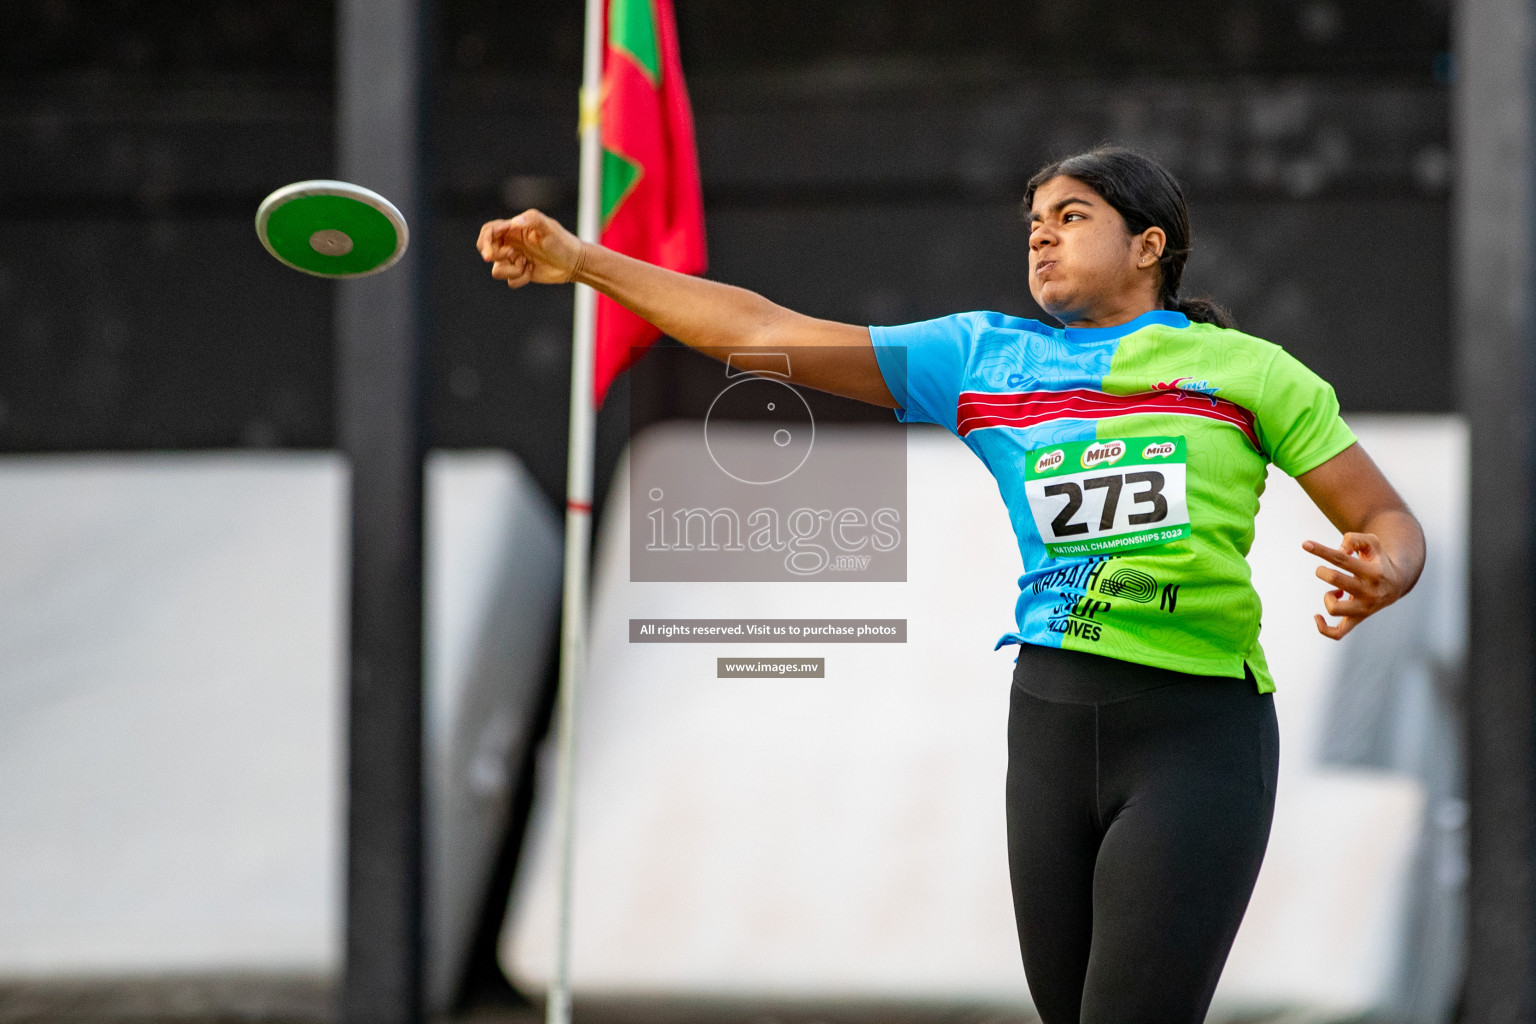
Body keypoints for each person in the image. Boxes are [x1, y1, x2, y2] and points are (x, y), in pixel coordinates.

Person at [476, 145, 1425, 1024]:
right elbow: (762, 331)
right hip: (1050, 725)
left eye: (1072, 215)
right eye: (1032, 224)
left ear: (1150, 246)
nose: (1042, 235)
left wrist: (1384, 567)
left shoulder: (1248, 372)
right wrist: (585, 262)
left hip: (1198, 737)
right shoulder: (982, 358)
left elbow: (1386, 521)